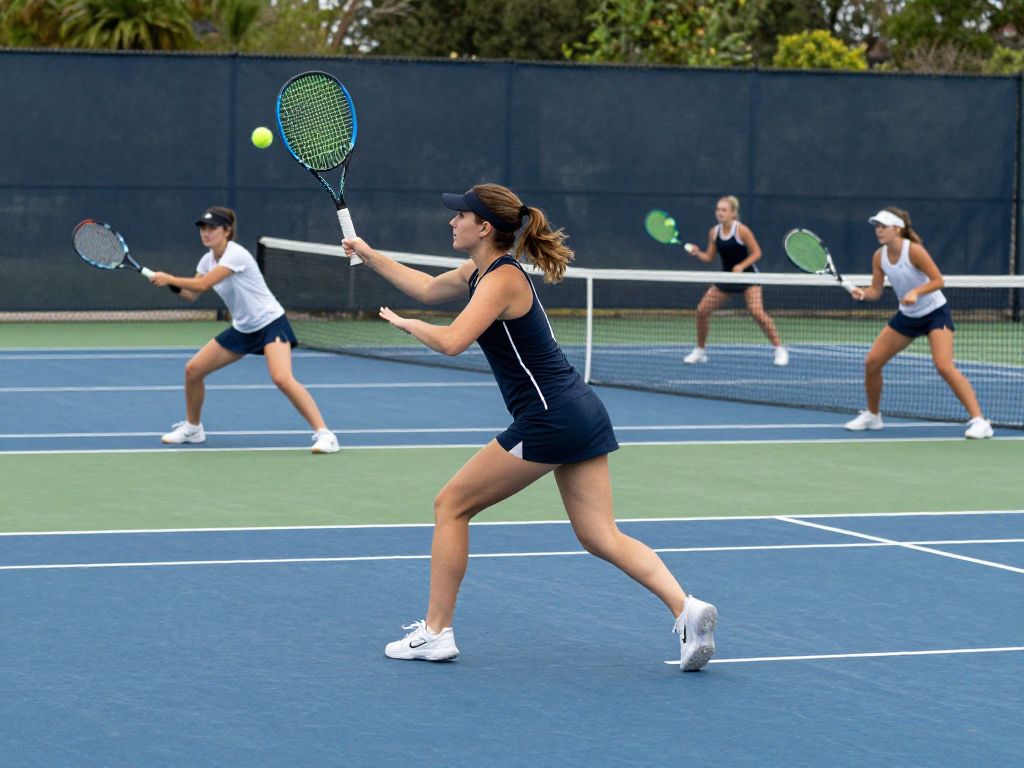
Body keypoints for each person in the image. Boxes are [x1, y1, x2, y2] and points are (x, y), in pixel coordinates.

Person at [342, 183, 717, 671]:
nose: (451, 222)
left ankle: (435, 632)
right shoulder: (481, 273)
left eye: (460, 216)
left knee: (451, 505)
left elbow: (454, 340)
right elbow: (429, 288)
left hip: (550, 418)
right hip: (578, 411)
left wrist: (410, 325)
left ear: (484, 227)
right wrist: (370, 256)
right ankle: (686, 609)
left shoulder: (501, 279)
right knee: (600, 535)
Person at [149, 207, 340, 453]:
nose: (206, 233)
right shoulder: (207, 261)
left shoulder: (235, 254)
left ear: (227, 231)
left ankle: (326, 435)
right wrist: (168, 284)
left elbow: (203, 284)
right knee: (193, 370)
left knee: (281, 378)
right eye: (203, 228)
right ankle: (193, 428)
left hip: (270, 323)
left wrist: (170, 278)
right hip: (243, 329)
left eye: (212, 228)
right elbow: (191, 294)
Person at [845, 208, 993, 439]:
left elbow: (938, 280)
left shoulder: (914, 251)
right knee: (872, 361)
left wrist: (916, 292)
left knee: (943, 365)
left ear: (897, 228)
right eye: (877, 226)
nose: (879, 230)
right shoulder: (879, 257)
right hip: (907, 317)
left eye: (883, 226)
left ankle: (980, 421)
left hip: (935, 314)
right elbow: (876, 290)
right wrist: (863, 294)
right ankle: (873, 416)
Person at [682, 196, 788, 366]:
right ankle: (700, 351)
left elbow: (757, 253)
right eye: (718, 209)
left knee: (757, 312)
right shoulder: (714, 232)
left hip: (749, 277)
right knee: (702, 310)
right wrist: (697, 252)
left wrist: (741, 266)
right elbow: (709, 257)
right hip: (727, 278)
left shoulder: (742, 231)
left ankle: (779, 349)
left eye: (724, 210)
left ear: (733, 213)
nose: (720, 213)